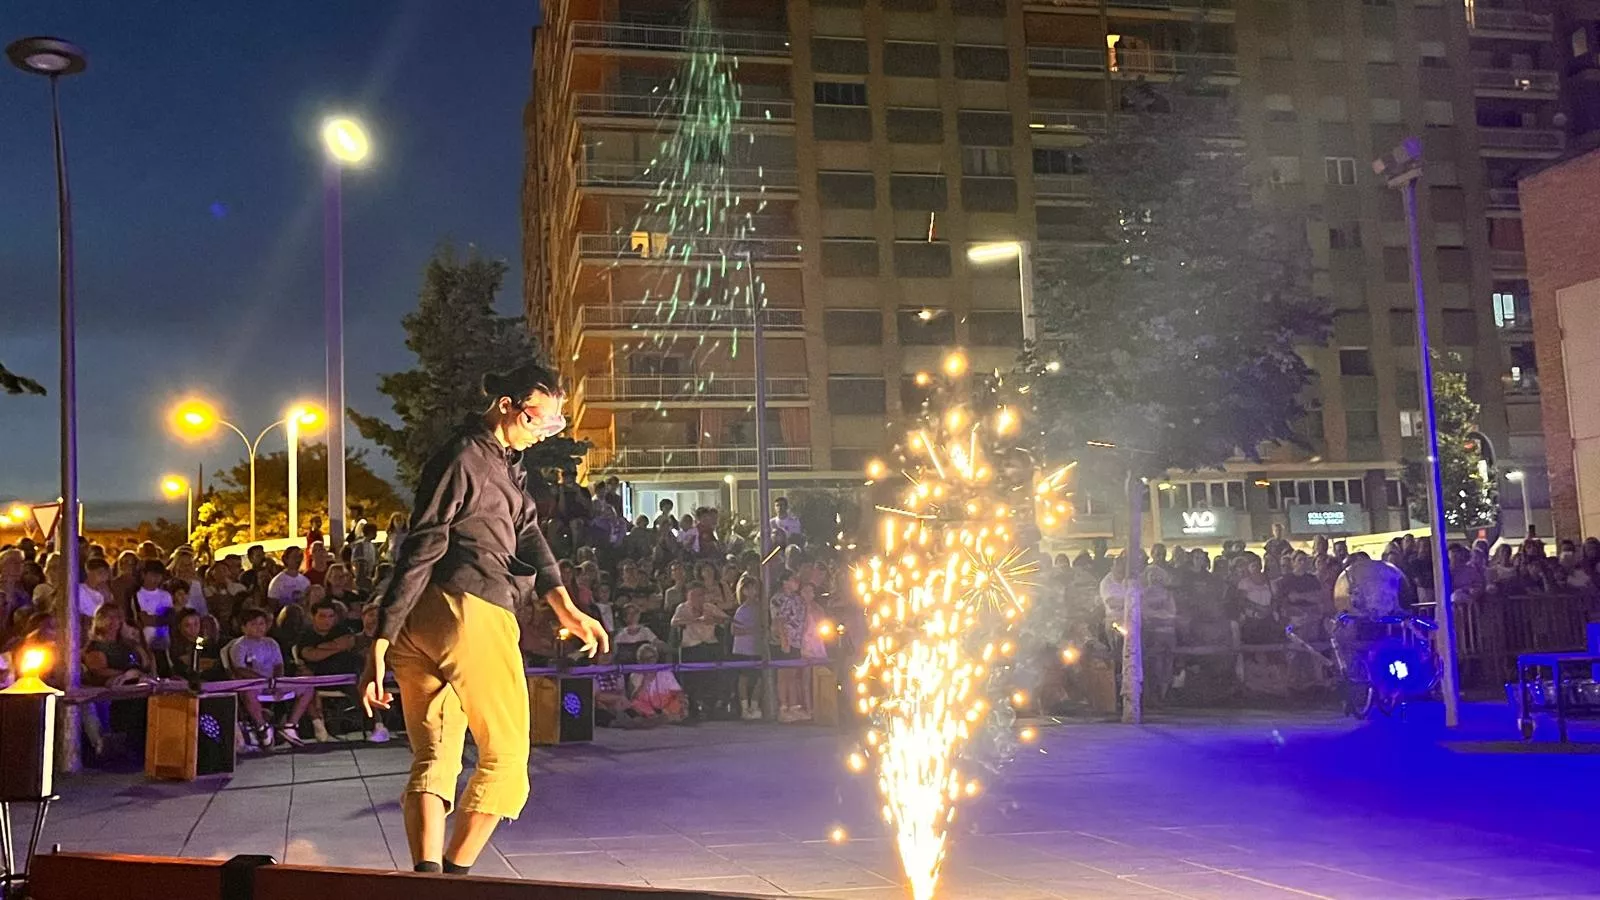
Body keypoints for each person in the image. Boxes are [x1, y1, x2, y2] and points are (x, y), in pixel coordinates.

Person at [359, 360, 607, 878]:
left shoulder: (503, 461)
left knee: (434, 760)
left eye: (553, 424)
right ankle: (454, 879)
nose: (542, 432)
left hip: (423, 625)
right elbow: (424, 542)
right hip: (470, 613)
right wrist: (380, 637)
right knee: (507, 762)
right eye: (536, 419)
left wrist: (563, 603)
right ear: (506, 406)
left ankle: (428, 880)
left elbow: (530, 530)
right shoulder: (466, 457)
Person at [226, 608, 318, 749]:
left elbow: (278, 665)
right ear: (244, 627)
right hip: (254, 685)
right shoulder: (239, 646)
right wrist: (263, 680)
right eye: (253, 624)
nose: (259, 627)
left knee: (307, 687)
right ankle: (262, 727)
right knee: (248, 693)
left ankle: (290, 726)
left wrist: (277, 681)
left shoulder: (271, 643)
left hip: (274, 682)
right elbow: (240, 669)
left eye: (261, 623)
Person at [730, 578, 764, 720]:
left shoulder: (760, 607)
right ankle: (745, 708)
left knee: (759, 678)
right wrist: (752, 630)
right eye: (749, 588)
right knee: (744, 678)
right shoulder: (742, 610)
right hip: (743, 648)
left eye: (755, 588)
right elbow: (734, 630)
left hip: (757, 648)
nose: (753, 591)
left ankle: (754, 706)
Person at [133, 560, 177, 649]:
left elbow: (169, 617)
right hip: (143, 641)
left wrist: (154, 619)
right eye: (153, 575)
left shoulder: (165, 595)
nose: (156, 579)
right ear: (143, 575)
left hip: (164, 639)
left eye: (159, 576)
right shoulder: (136, 595)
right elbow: (142, 619)